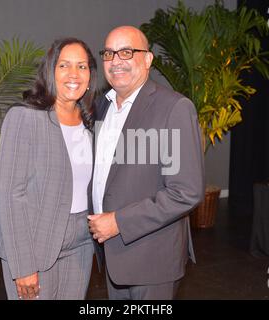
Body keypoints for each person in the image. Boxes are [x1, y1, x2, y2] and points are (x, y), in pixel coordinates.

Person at [88, 26, 205, 300]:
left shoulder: (174, 108)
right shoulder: (102, 107)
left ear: (148, 59)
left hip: (152, 260)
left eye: (126, 52)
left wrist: (119, 221)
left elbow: (185, 192)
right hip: (113, 255)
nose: (116, 60)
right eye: (109, 53)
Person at [0, 38, 97, 300]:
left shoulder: (90, 121)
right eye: (64, 65)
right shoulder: (25, 117)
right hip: (34, 241)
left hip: (81, 241)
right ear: (50, 71)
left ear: (90, 75)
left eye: (82, 66)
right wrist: (23, 266)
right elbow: (12, 195)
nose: (73, 74)